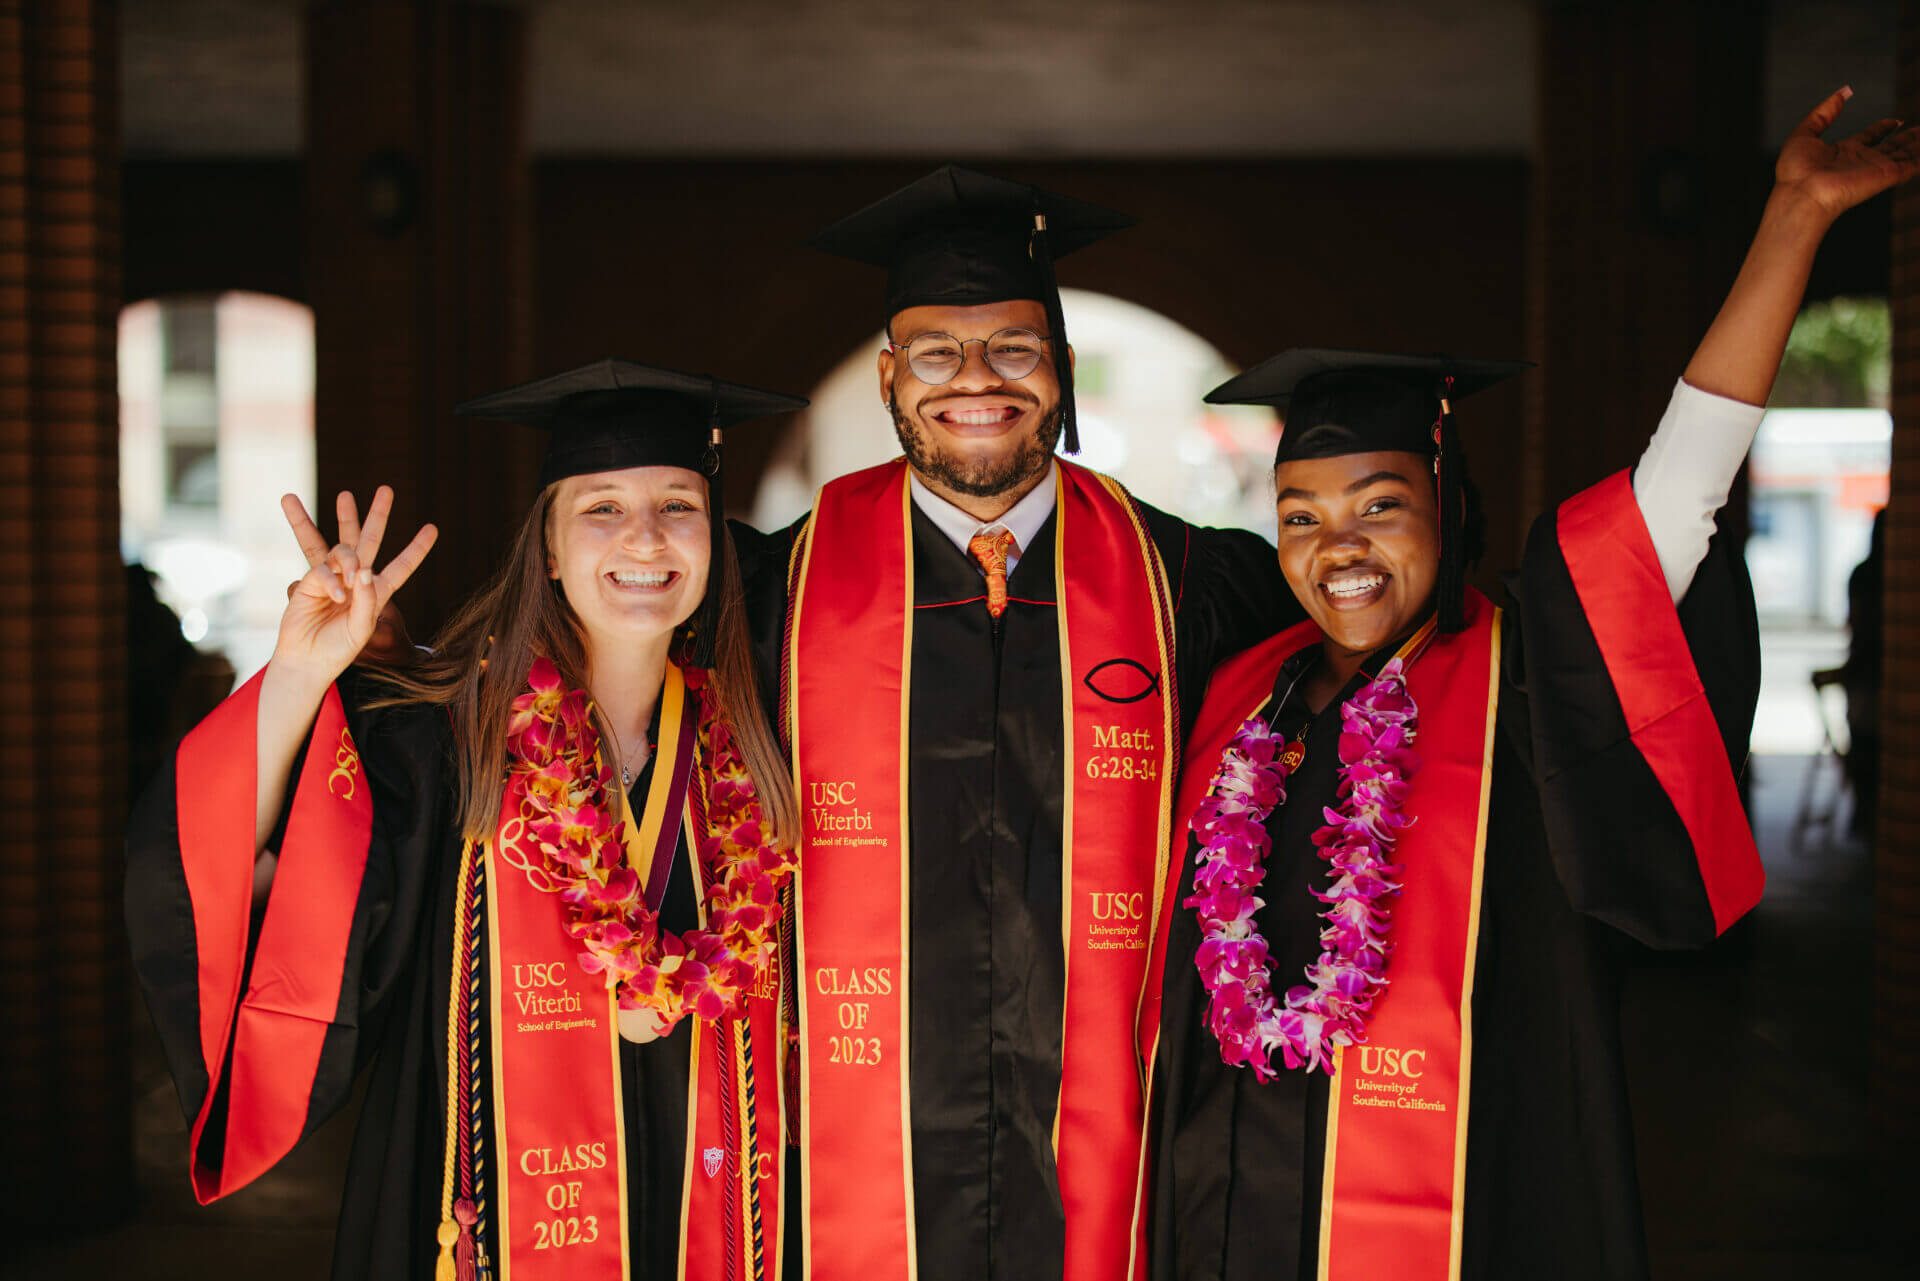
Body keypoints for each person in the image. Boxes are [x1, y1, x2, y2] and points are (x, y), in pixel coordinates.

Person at [1146, 87, 1918, 1281]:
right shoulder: (1245, 693)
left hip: (1471, 1198)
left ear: (1448, 513)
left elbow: (1681, 487)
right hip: (1233, 1209)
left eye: (1380, 508)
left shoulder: (1530, 676)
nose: (1336, 547)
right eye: (1301, 515)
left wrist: (1795, 222)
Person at [731, 165, 1299, 1281]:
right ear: (892, 376)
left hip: (1121, 1140)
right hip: (846, 1147)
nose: (974, 380)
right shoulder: (768, 594)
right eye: (936, 352)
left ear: (1063, 373)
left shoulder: (1195, 582)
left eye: (1013, 348)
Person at [126, 361, 809, 1281]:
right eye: (600, 506)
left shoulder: (760, 748)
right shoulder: (448, 737)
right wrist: (298, 673)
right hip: (479, 1225)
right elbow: (222, 860)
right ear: (551, 550)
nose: (644, 536)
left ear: (716, 542)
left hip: (717, 1220)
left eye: (678, 504)